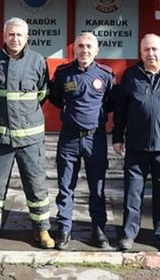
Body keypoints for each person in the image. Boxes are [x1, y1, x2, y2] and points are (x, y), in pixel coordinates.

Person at [0, 17, 54, 249]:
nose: (15, 38)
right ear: (4, 36)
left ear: (27, 37)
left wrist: (24, 114)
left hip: (30, 138)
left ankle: (42, 230)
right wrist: (1, 110)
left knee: (36, 184)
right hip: (0, 137)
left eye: (19, 35)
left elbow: (42, 93)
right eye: (11, 34)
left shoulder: (38, 61)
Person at [112, 33, 160, 252]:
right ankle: (128, 234)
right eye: (146, 49)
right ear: (140, 52)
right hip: (136, 148)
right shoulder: (130, 77)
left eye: (155, 49)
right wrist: (117, 137)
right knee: (132, 194)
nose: (151, 53)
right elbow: (120, 111)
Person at [49, 32, 115, 250]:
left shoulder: (105, 74)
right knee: (66, 185)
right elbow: (55, 98)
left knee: (97, 187)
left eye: (89, 46)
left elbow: (113, 102)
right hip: (69, 137)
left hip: (95, 138)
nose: (84, 50)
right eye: (80, 46)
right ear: (74, 49)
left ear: (96, 50)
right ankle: (64, 229)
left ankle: (98, 229)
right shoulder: (63, 73)